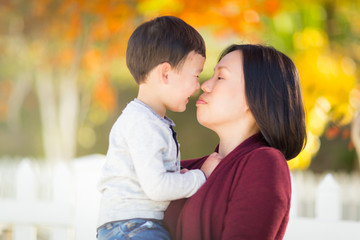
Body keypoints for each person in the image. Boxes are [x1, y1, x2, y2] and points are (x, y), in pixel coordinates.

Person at [164, 44, 307, 240]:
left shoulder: (265, 164)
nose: (204, 85)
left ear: (255, 96)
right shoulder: (184, 171)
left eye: (220, 77)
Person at [96, 16, 222, 240]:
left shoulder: (149, 121)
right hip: (133, 228)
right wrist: (201, 176)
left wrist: (177, 176)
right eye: (195, 75)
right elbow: (157, 187)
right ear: (165, 73)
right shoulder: (144, 124)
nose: (198, 86)